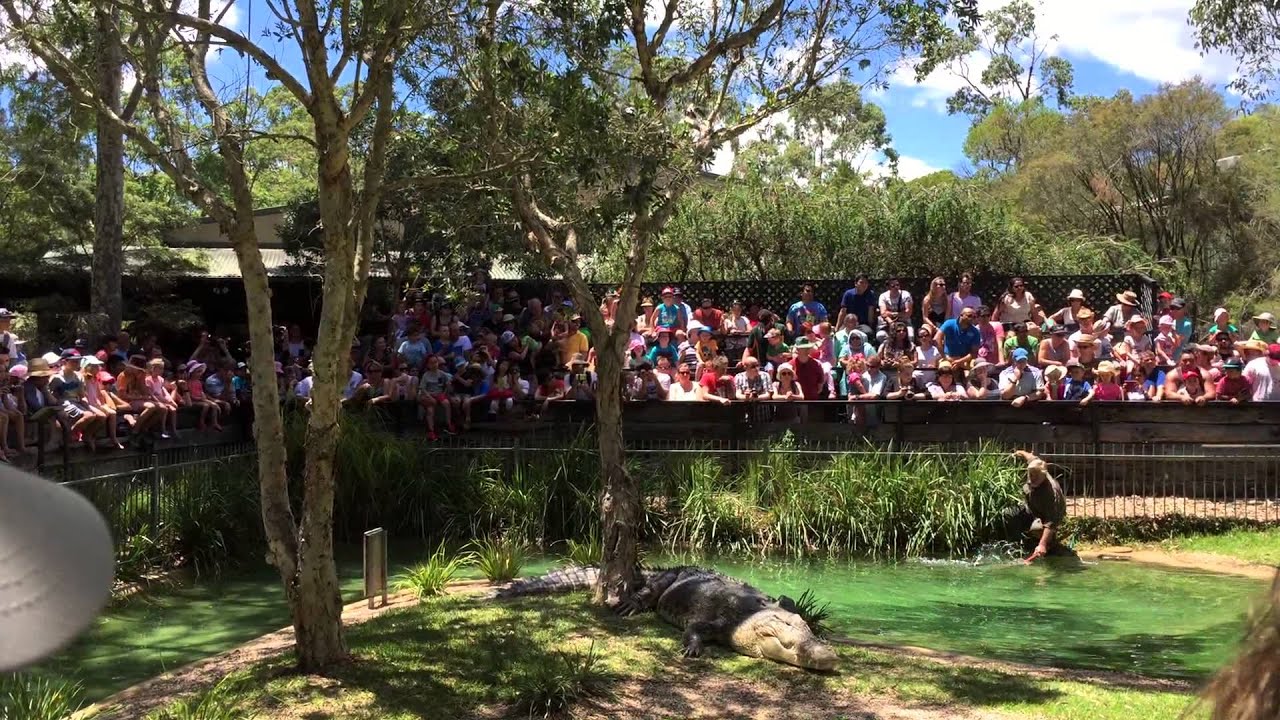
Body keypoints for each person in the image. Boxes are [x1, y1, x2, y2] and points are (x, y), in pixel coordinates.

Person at [1003, 450, 1076, 562]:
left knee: (1037, 529)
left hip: (1046, 516)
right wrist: (1020, 452)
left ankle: (1048, 546)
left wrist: (1042, 544)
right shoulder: (1035, 466)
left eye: (1036, 476)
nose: (1032, 478)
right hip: (1031, 507)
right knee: (1008, 514)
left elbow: (1051, 522)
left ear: (1044, 474)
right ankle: (1017, 545)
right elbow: (1031, 458)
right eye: (1031, 475)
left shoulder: (1052, 494)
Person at [876, 278, 913, 343]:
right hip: (887, 324)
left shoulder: (906, 295)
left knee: (910, 336)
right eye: (893, 286)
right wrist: (891, 322)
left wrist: (893, 314)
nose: (896, 287)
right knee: (880, 336)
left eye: (897, 285)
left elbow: (908, 313)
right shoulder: (883, 296)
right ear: (888, 287)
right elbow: (883, 313)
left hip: (904, 323)